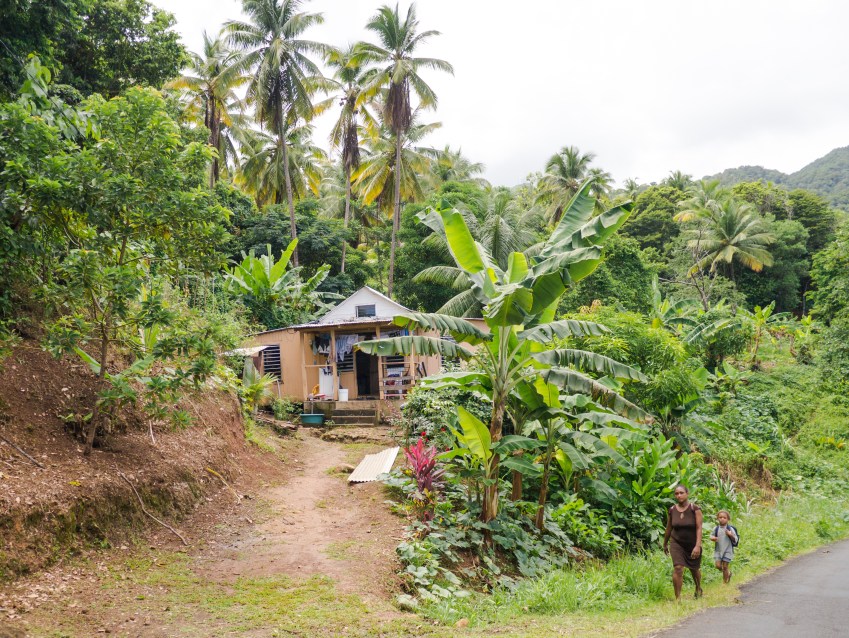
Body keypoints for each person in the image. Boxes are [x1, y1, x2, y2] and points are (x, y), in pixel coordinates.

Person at [663, 484, 703, 600]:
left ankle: (698, 587)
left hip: (692, 544)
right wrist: (665, 544)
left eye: (681, 493)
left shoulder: (695, 509)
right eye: (676, 493)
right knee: (678, 568)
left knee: (694, 569)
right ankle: (678, 598)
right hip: (676, 543)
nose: (679, 495)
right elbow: (669, 528)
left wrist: (697, 546)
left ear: (687, 494)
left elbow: (699, 528)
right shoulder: (672, 510)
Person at [710, 510, 738, 584]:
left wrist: (730, 534)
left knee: (725, 566)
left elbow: (735, 540)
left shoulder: (730, 529)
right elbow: (711, 536)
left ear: (728, 519)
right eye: (720, 517)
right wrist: (713, 538)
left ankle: (725, 583)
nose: (722, 519)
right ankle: (728, 573)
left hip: (728, 550)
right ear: (717, 518)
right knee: (718, 566)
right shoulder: (716, 528)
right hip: (718, 550)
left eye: (724, 518)